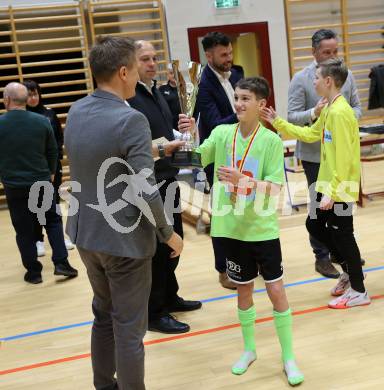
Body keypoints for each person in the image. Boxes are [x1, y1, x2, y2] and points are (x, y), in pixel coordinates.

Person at [65, 36, 184, 390]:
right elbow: (145, 187)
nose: (137, 76)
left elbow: (103, 154)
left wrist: (156, 151)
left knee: (103, 316)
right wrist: (167, 232)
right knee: (130, 330)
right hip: (124, 241)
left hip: (87, 234)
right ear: (122, 71)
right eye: (135, 68)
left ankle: (104, 385)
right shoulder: (130, 119)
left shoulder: (77, 110)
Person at [183, 77, 304, 385]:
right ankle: (249, 350)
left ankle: (288, 357)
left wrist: (242, 180)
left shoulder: (271, 141)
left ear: (261, 104)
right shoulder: (222, 133)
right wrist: (188, 137)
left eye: (245, 98)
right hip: (229, 229)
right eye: (236, 97)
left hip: (261, 230)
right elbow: (196, 158)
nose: (238, 103)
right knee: (244, 290)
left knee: (276, 291)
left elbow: (275, 189)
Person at [262, 58, 370, 309]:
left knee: (343, 236)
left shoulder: (342, 113)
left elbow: (344, 157)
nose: (314, 81)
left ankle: (359, 290)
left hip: (339, 187)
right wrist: (278, 121)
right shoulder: (330, 109)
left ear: (329, 81)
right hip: (328, 184)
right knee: (315, 224)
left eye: (317, 77)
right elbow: (311, 134)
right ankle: (349, 272)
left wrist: (333, 192)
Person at [128, 40, 202, 334]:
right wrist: (166, 145)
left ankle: (170, 296)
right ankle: (154, 312)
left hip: (167, 176)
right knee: (160, 247)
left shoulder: (154, 91)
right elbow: (133, 147)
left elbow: (163, 132)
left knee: (175, 241)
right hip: (148, 181)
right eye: (145, 59)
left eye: (154, 57)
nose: (151, 63)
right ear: (131, 64)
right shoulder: (130, 98)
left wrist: (182, 131)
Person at [288, 29, 363, 279]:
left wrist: (343, 120)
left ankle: (344, 252)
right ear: (314, 52)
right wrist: (315, 113)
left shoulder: (346, 75)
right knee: (317, 212)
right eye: (326, 52)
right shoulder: (302, 78)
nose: (332, 56)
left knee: (340, 212)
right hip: (314, 157)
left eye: (335, 51)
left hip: (340, 156)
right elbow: (293, 116)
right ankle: (322, 257)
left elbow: (356, 108)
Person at [0, 82, 78, 284]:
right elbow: (53, 150)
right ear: (26, 99)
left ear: (7, 100)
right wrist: (51, 172)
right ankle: (61, 263)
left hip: (14, 185)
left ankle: (33, 272)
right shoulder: (41, 121)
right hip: (41, 181)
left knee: (24, 229)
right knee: (52, 221)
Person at [195, 31, 243, 290]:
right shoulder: (201, 85)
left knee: (244, 209)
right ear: (209, 55)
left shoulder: (237, 74)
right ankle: (223, 269)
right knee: (222, 215)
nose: (229, 58)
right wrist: (244, 111)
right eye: (223, 54)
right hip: (218, 157)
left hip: (243, 153)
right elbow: (213, 125)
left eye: (230, 53)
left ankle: (243, 261)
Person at [23, 79, 75, 256]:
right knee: (36, 205)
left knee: (53, 204)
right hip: (32, 170)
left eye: (35, 94)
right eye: (29, 95)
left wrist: (54, 165)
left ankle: (59, 238)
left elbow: (59, 140)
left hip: (52, 169)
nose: (33, 98)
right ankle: (38, 239)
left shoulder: (50, 114)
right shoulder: (23, 117)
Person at [159, 64, 181, 130]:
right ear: (167, 75)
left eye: (176, 73)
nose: (174, 75)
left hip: (183, 123)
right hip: (170, 125)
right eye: (171, 73)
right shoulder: (162, 89)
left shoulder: (185, 88)